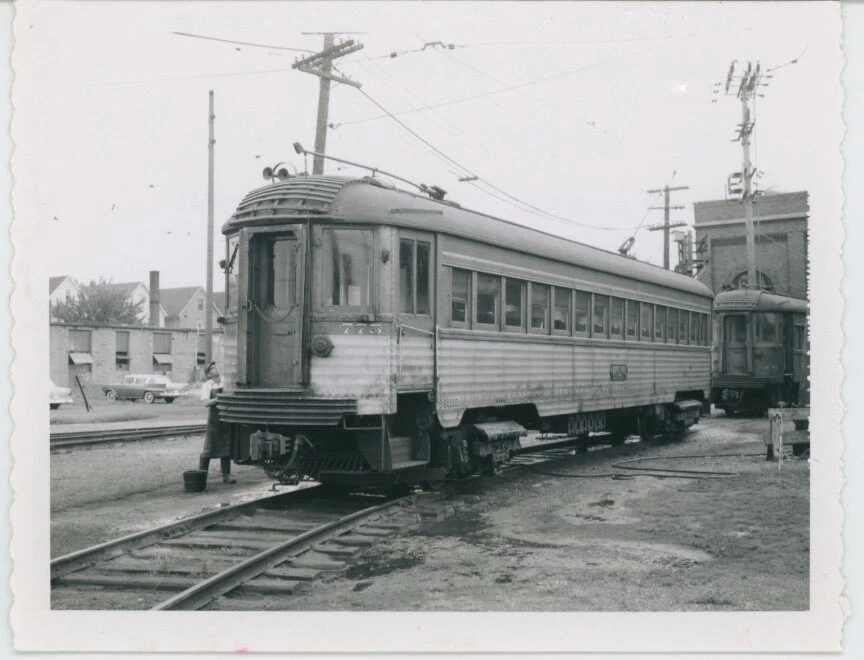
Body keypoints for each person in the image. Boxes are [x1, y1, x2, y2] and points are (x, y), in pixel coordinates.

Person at [198, 361, 236, 484]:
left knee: (226, 447)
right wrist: (218, 398)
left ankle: (226, 476)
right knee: (208, 449)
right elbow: (205, 403)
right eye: (212, 369)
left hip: (227, 417)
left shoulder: (226, 381)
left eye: (215, 367)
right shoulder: (207, 385)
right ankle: (201, 477)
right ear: (209, 374)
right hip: (214, 420)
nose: (215, 369)